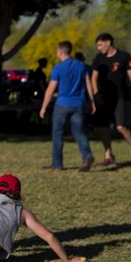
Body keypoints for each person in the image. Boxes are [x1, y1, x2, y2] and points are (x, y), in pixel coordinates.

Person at [91, 33, 131, 169]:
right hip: (103, 98)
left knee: (120, 126)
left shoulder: (124, 56)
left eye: (100, 45)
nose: (99, 48)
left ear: (108, 42)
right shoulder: (99, 59)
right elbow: (93, 78)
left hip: (119, 97)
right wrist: (96, 93)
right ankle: (108, 156)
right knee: (102, 127)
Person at [38, 40, 96, 171]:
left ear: (60, 52)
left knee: (58, 134)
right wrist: (91, 101)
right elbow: (88, 83)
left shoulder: (58, 68)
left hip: (62, 104)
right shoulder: (81, 66)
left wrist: (43, 107)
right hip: (79, 104)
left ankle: (57, 163)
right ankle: (87, 155)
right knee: (79, 132)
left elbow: (50, 89)